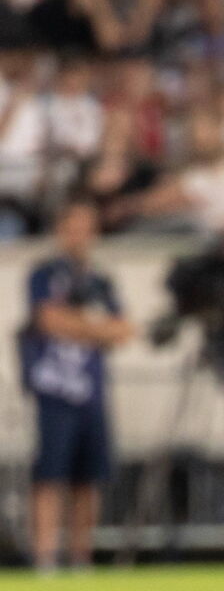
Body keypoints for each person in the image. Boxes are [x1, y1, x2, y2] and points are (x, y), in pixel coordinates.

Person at [19, 199, 133, 570]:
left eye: (87, 227)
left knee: (88, 478)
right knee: (50, 474)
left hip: (92, 390)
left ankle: (81, 554)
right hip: (56, 389)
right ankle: (45, 554)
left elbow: (123, 330)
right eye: (74, 227)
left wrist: (81, 326)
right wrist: (92, 327)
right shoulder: (44, 274)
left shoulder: (100, 280)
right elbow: (48, 321)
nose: (81, 236)